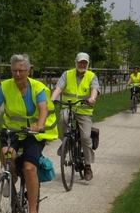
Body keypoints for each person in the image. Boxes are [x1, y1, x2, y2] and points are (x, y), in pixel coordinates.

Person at [0, 54, 58, 213]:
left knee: (29, 168)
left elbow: (43, 108)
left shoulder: (37, 88)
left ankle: (33, 209)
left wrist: (39, 125)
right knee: (5, 153)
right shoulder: (6, 86)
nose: (17, 74)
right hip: (12, 131)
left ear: (28, 71)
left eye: (21, 70)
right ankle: (11, 176)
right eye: (14, 70)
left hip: (33, 133)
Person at [51, 52, 99, 181]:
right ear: (75, 62)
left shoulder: (91, 76)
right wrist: (53, 98)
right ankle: (65, 143)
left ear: (88, 64)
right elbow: (59, 87)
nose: (82, 64)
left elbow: (94, 89)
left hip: (84, 111)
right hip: (69, 107)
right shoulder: (67, 74)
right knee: (63, 119)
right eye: (80, 62)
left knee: (85, 137)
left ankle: (88, 166)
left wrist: (92, 98)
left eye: (84, 63)